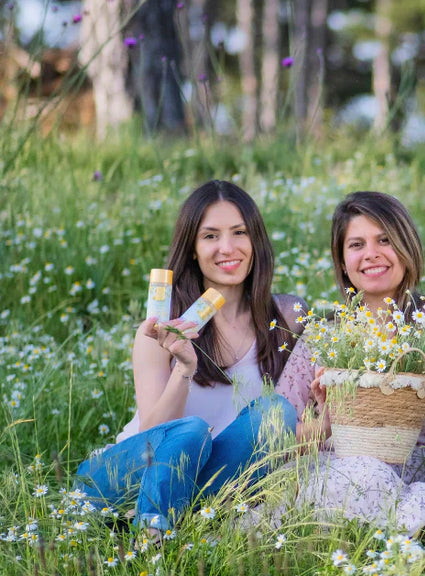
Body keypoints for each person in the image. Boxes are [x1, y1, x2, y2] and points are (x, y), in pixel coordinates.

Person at [73, 180, 303, 537]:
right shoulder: (161, 328)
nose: (227, 247)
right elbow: (154, 436)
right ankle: (154, 539)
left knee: (277, 413)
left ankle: (175, 523)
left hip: (214, 480)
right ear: (192, 249)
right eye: (210, 236)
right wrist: (185, 367)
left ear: (255, 241)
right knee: (191, 432)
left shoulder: (286, 316)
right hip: (127, 474)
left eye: (239, 232)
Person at [274, 191, 425, 532]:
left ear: (407, 248)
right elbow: (278, 438)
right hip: (336, 473)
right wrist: (327, 420)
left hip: (419, 476)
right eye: (356, 245)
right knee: (359, 477)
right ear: (343, 262)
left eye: (385, 240)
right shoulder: (323, 336)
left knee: (380, 482)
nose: (371, 254)